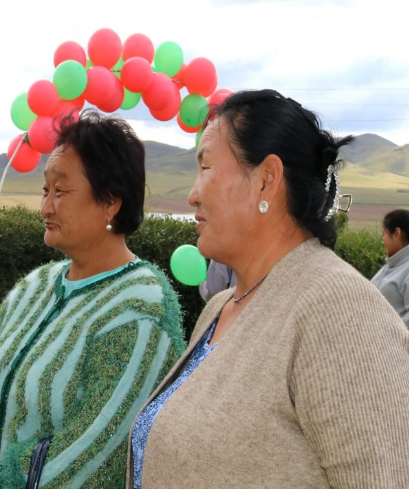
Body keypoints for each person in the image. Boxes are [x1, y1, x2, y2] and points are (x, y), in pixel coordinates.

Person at [128, 90, 409, 488]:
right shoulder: (220, 308)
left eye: (206, 167)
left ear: (267, 180)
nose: (192, 195)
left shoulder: (338, 310)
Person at [0, 112, 186, 489]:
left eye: (61, 192)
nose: (45, 208)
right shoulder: (34, 287)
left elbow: (100, 448)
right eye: (45, 190)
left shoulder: (141, 306)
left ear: (111, 202)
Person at [371, 209, 409, 325]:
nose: (382, 240)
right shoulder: (392, 265)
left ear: (397, 233)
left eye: (384, 234)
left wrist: (386, 331)